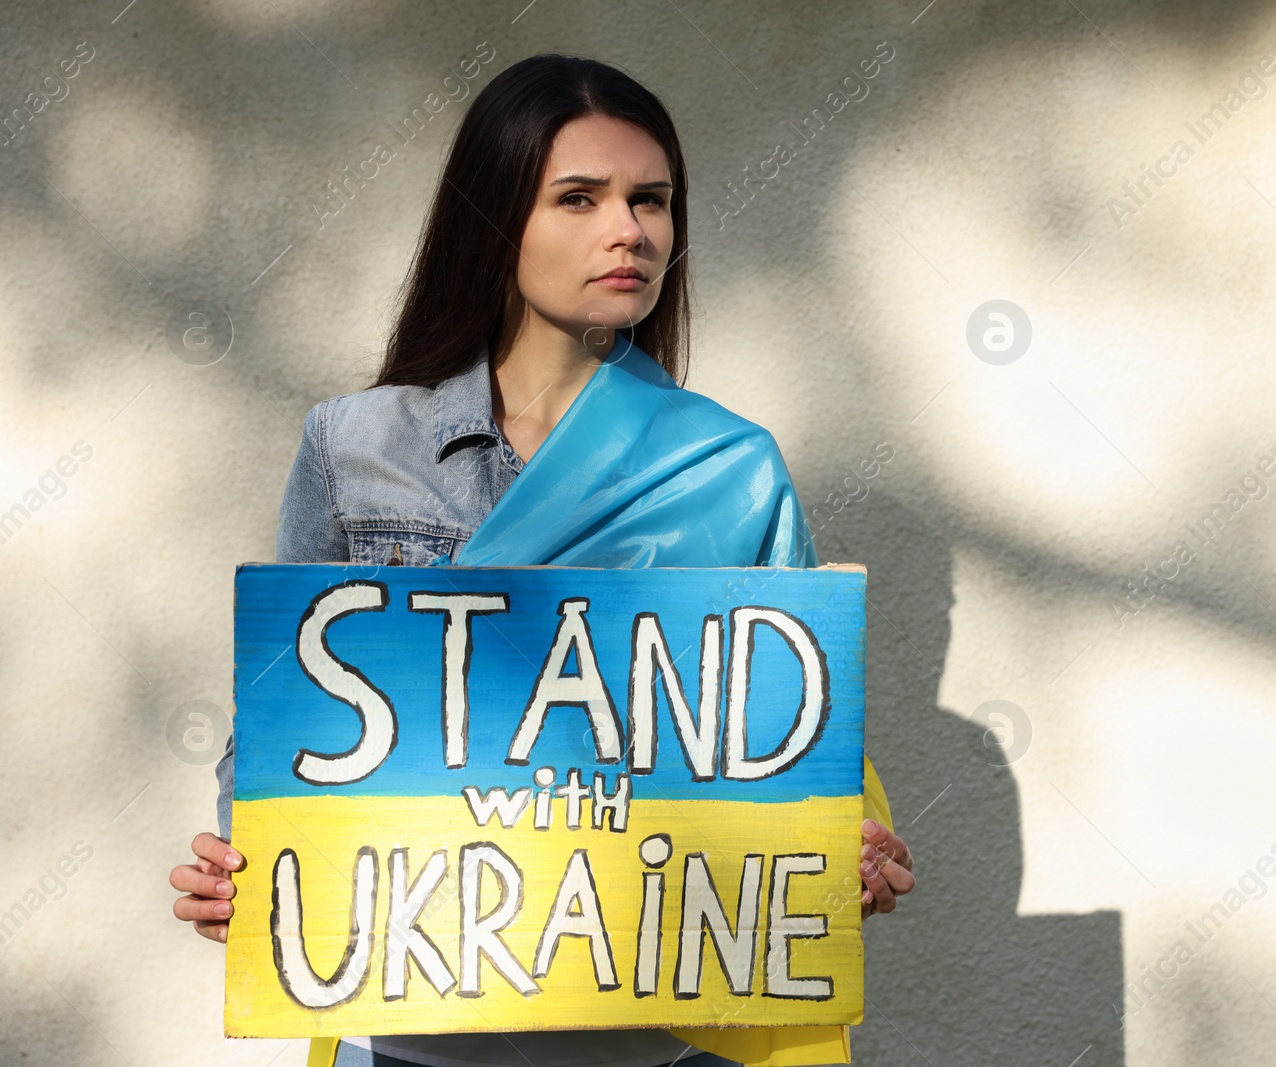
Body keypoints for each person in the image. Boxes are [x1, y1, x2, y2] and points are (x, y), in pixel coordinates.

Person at [168, 53, 914, 1067]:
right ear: (496, 217)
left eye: (651, 199)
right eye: (580, 198)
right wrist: (250, 864)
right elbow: (279, 721)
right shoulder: (354, 444)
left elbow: (789, 739)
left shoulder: (732, 465)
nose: (631, 231)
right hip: (418, 1024)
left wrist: (842, 857)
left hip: (653, 1035)